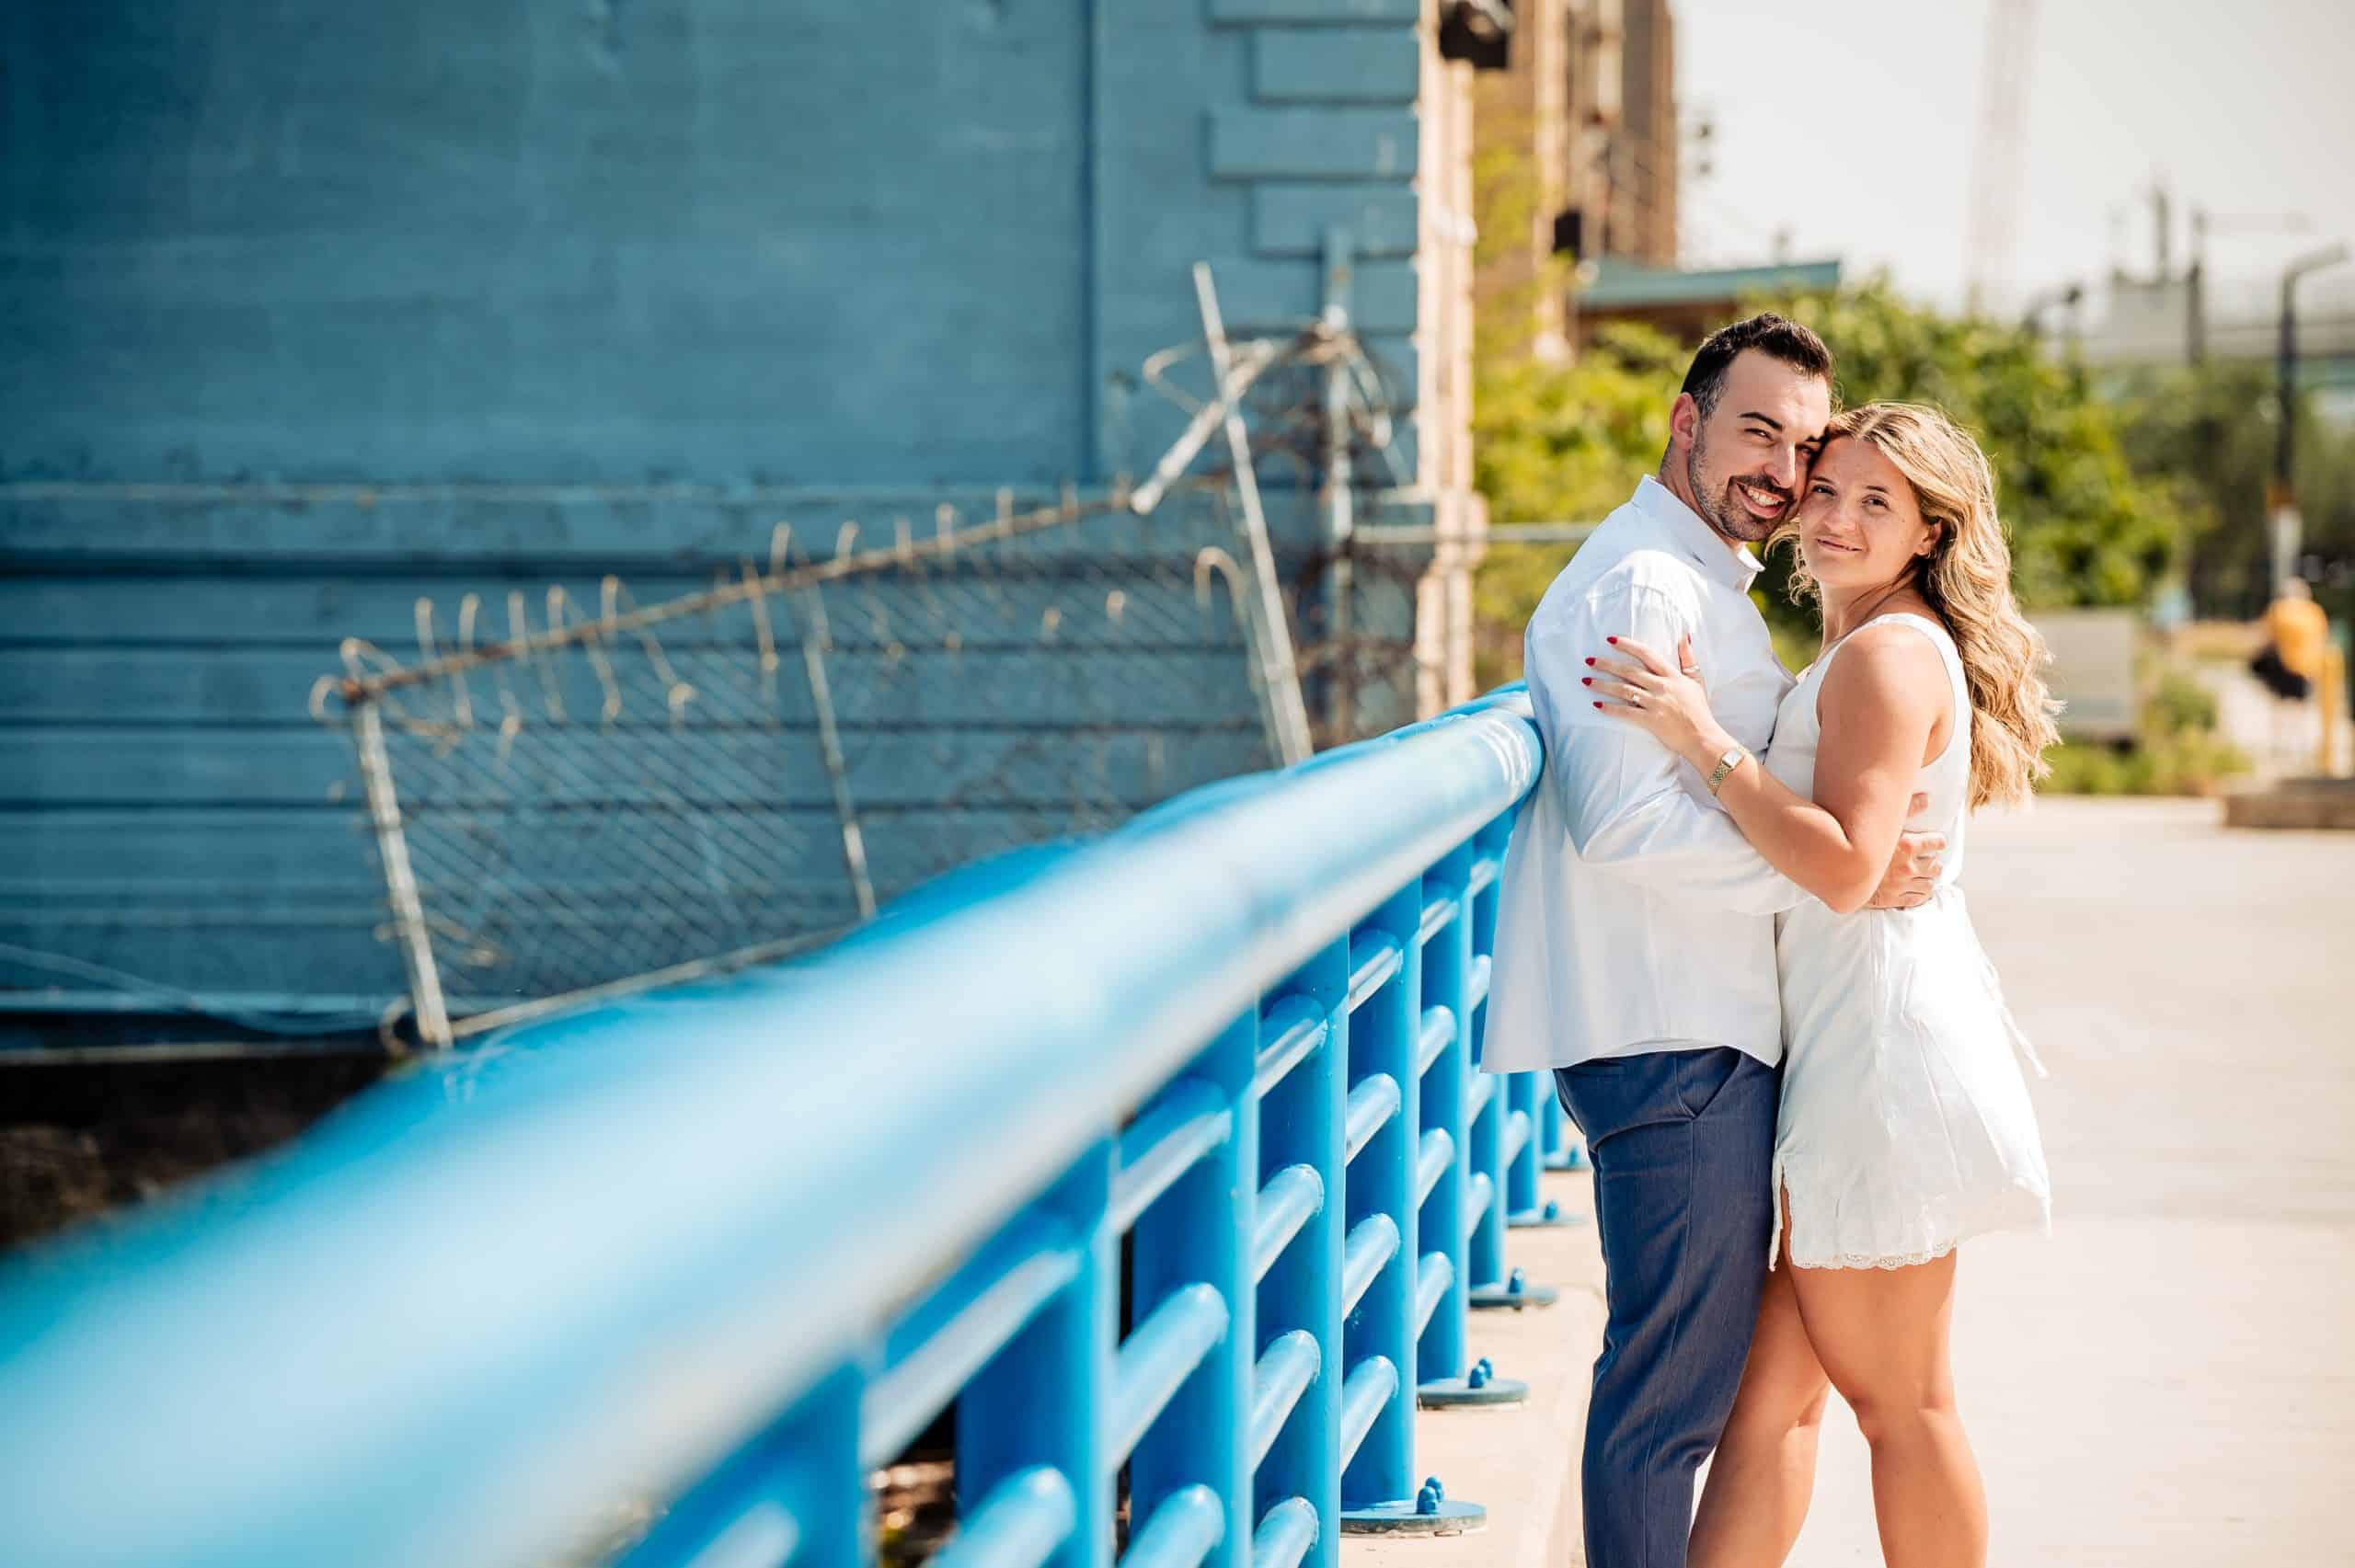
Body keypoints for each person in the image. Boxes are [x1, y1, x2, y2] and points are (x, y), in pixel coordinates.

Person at [1483, 315, 1945, 1568]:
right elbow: (1624, 822)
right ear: (1684, 422)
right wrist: (1834, 880)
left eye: (1804, 446)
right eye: (1757, 432)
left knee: (1694, 1391)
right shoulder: (1643, 585)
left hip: (1700, 1029)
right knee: (1665, 1406)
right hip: (1672, 1040)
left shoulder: (1694, 582)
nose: (1783, 473)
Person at [1587, 401, 2057, 1568]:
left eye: (1875, 502)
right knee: (1772, 1409)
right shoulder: (1864, 644)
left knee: (1903, 1404)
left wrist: (1700, 737)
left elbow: (1845, 869)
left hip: (1878, 1057)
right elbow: (1850, 856)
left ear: (1929, 534)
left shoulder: (1888, 654)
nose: (1837, 517)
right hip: (1845, 1045)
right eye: (1828, 489)